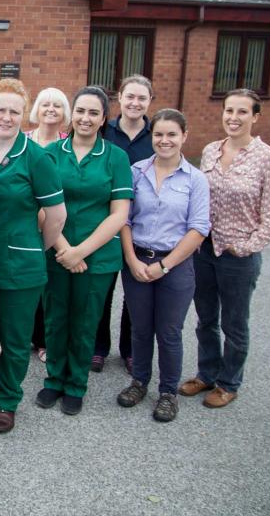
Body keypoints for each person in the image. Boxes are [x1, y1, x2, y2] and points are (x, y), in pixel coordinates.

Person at [179, 88, 270, 409]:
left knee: (234, 323)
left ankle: (229, 383)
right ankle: (207, 374)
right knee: (205, 318)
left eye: (242, 112)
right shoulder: (211, 150)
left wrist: (249, 246)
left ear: (255, 116)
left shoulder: (268, 158)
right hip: (205, 251)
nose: (234, 118)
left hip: (239, 255)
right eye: (229, 111)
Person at [0, 79, 66, 433]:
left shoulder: (36, 157)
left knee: (14, 339)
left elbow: (57, 216)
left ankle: (8, 400)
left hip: (22, 267)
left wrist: (34, 248)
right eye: (1, 110)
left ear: (23, 114)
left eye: (14, 111)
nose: (7, 117)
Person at [35, 86, 132, 415]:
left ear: (104, 118)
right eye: (81, 111)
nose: (86, 118)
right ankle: (53, 380)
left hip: (98, 256)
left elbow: (119, 214)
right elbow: (41, 204)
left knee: (85, 320)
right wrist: (64, 248)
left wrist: (82, 252)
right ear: (71, 114)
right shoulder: (51, 154)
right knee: (55, 317)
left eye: (94, 113)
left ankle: (75, 384)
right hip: (56, 251)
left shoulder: (115, 157)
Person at [115, 110, 210, 422]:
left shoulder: (195, 179)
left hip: (176, 265)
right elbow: (124, 219)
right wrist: (131, 259)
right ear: (151, 136)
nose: (164, 140)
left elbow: (198, 229)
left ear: (184, 136)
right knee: (140, 329)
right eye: (159, 134)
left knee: (168, 331)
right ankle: (139, 382)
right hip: (138, 260)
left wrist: (164, 266)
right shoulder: (136, 172)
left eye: (172, 134)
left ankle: (168, 392)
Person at [93, 75, 156, 374]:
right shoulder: (106, 130)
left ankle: (130, 350)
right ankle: (98, 348)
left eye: (142, 98)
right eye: (130, 96)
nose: (135, 103)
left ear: (149, 102)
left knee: (135, 292)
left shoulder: (156, 135)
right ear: (120, 97)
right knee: (102, 289)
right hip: (106, 220)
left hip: (141, 225)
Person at [26, 86, 71, 363]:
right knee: (23, 288)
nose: (51, 109)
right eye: (45, 104)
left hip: (58, 229)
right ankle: (18, 338)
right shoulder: (23, 141)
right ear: (37, 109)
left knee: (51, 289)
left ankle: (44, 341)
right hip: (27, 226)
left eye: (57, 104)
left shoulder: (68, 144)